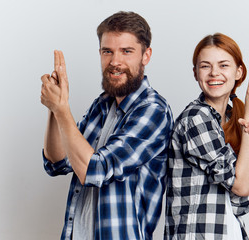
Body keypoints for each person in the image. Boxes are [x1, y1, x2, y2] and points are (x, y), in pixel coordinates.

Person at [40, 11, 173, 240]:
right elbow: (57, 162)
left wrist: (63, 109)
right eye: (107, 51)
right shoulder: (101, 106)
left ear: (146, 55)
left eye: (126, 51)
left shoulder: (153, 110)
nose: (115, 62)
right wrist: (55, 108)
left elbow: (96, 170)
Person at [164, 33, 249, 240]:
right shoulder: (195, 118)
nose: (214, 73)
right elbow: (241, 185)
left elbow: (241, 202)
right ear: (195, 73)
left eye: (223, 65)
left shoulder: (231, 120)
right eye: (205, 66)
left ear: (238, 72)